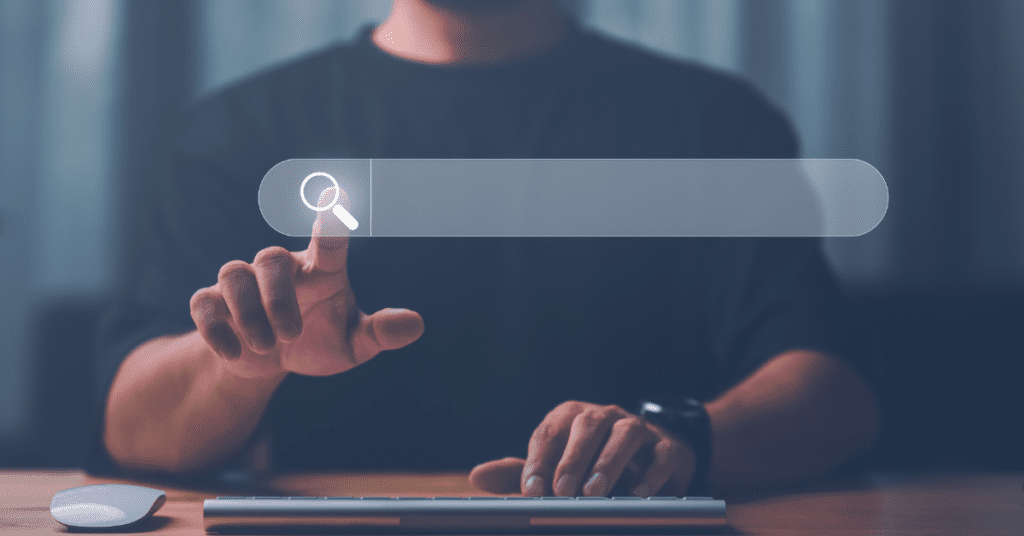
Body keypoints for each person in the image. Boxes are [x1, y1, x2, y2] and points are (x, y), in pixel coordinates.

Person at [87, 0, 880, 498]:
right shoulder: (242, 129)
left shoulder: (715, 125)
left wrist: (676, 443)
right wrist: (241, 365)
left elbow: (833, 395)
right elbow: (133, 429)